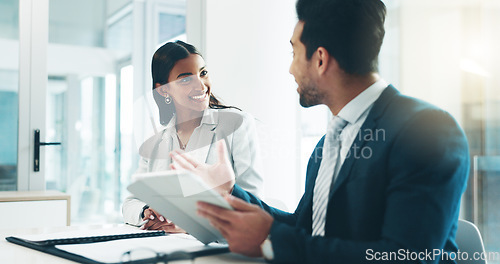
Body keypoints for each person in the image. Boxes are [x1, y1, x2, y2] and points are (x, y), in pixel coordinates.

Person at [171, 0, 470, 263]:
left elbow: (406, 257)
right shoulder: (329, 142)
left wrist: (272, 240)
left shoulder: (427, 130)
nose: (290, 69)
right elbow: (306, 229)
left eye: (294, 53)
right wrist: (229, 191)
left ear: (321, 59)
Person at [122, 41, 264, 232]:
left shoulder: (237, 124)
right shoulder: (156, 142)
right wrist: (147, 211)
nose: (201, 85)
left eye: (203, 73)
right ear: (164, 89)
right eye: (185, 79)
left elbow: (252, 204)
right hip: (162, 245)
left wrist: (189, 226)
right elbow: (131, 203)